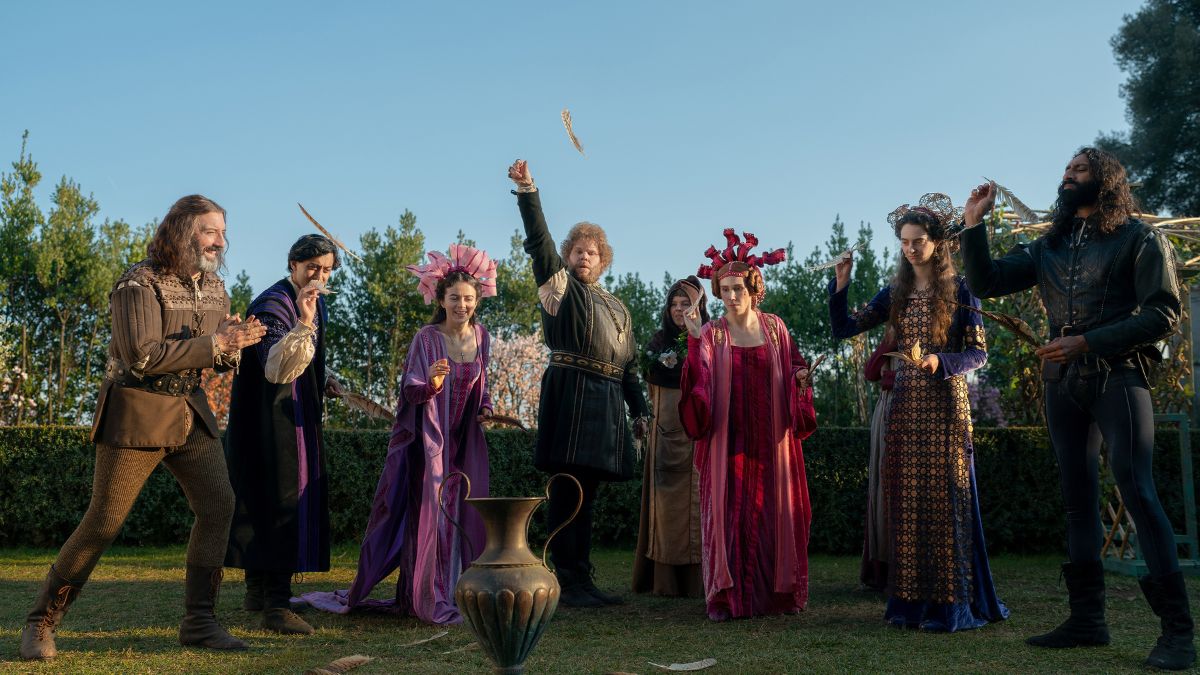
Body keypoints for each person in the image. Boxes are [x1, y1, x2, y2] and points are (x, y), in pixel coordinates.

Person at [959, 147, 1191, 669]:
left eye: (1079, 170)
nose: (1067, 176)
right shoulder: (1051, 246)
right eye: (1065, 170)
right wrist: (974, 226)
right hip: (1061, 382)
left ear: (1105, 180)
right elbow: (987, 282)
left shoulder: (1139, 238)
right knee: (1076, 499)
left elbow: (1163, 314)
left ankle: (1178, 633)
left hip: (1119, 376)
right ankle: (1088, 620)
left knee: (1137, 490)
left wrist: (1086, 342)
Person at [18, 195, 267, 660]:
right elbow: (143, 355)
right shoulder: (138, 283)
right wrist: (217, 342)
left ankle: (200, 622)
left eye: (223, 231)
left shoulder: (215, 288)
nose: (221, 241)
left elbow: (214, 358)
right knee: (104, 523)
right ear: (182, 230)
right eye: (211, 230)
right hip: (137, 411)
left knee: (219, 506)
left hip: (190, 413)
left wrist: (234, 344)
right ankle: (40, 622)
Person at [829, 193, 1007, 632]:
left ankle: (950, 606)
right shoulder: (895, 293)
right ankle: (910, 605)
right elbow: (845, 328)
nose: (910, 248)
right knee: (908, 504)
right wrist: (841, 284)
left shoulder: (963, 289)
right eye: (905, 242)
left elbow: (978, 353)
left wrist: (939, 363)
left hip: (946, 406)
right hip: (906, 407)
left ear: (937, 242)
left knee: (946, 500)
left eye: (918, 240)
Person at [303, 244, 496, 624]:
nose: (462, 305)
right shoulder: (426, 338)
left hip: (466, 441)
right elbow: (408, 390)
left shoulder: (482, 336)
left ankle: (459, 589)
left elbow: (483, 383)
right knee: (432, 514)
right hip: (429, 442)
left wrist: (487, 408)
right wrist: (433, 385)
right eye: (455, 297)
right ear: (440, 299)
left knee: (464, 512)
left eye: (469, 298)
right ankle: (426, 595)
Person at [507, 159, 650, 608]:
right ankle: (564, 579)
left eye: (592, 252)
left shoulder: (618, 307)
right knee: (568, 489)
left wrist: (640, 411)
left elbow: (629, 367)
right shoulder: (559, 288)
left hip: (607, 404)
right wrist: (529, 192)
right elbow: (538, 244)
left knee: (587, 495)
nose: (584, 256)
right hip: (571, 396)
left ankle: (580, 579)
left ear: (603, 260)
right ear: (568, 256)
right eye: (577, 250)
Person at [679, 230, 816, 621]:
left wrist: (801, 380)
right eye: (725, 290)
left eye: (738, 288)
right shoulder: (711, 333)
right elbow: (699, 383)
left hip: (772, 442)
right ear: (717, 293)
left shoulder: (776, 328)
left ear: (753, 287)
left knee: (774, 512)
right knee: (731, 517)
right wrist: (692, 339)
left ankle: (777, 596)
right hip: (729, 441)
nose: (732, 296)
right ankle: (728, 598)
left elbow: (795, 367)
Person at [224, 234, 345, 635]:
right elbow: (276, 366)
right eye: (312, 267)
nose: (319, 275)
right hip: (269, 420)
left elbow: (305, 359)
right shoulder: (273, 303)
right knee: (280, 501)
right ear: (293, 264)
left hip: (291, 416)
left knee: (268, 497)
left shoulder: (314, 302)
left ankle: (258, 592)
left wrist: (322, 379)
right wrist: (305, 323)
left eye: (326, 270)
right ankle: (276, 605)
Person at [631, 276, 709, 598]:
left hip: (698, 435)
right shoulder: (656, 341)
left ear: (698, 307)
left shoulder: (708, 338)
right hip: (665, 436)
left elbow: (705, 373)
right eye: (674, 304)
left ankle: (697, 580)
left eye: (685, 304)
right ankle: (665, 581)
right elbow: (650, 372)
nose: (679, 310)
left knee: (698, 506)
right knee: (665, 510)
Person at [860, 330, 897, 592]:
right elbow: (871, 372)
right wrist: (888, 343)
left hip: (916, 410)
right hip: (888, 412)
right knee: (884, 487)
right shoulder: (891, 338)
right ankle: (884, 567)